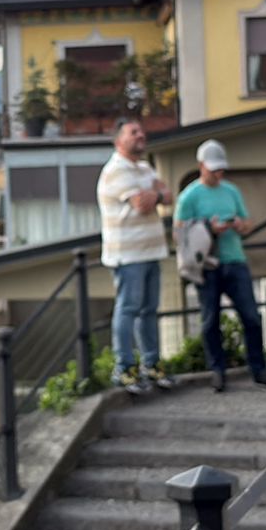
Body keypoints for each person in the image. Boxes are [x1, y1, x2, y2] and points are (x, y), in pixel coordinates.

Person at [174, 139, 266, 393]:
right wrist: (208, 229)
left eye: (220, 169)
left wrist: (238, 225)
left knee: (252, 316)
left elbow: (248, 223)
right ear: (201, 166)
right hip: (207, 265)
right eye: (213, 169)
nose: (218, 174)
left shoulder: (231, 191)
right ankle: (217, 371)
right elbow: (179, 234)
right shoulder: (189, 196)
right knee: (210, 320)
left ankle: (259, 369)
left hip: (235, 259)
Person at [97, 118, 174, 394]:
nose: (141, 135)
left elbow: (168, 194)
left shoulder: (143, 167)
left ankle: (151, 364)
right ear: (119, 141)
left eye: (142, 130)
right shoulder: (116, 171)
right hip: (128, 255)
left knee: (149, 311)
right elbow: (143, 204)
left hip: (151, 251)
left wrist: (155, 194)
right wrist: (156, 194)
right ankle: (125, 367)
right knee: (128, 309)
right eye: (133, 132)